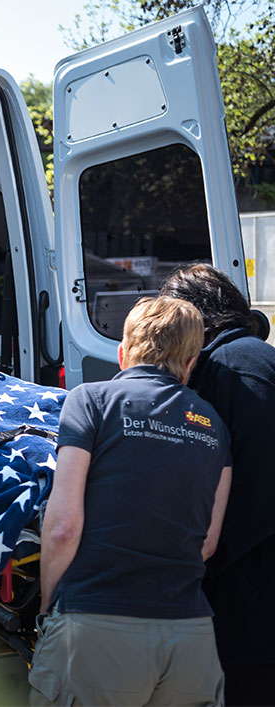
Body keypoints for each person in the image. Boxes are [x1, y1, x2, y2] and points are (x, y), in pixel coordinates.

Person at [31, 296, 232, 707]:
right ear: (191, 362)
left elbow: (63, 526)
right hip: (190, 636)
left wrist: (50, 608)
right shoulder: (214, 424)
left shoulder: (91, 401)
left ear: (122, 353)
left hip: (97, 624)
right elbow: (207, 543)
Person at [160, 264, 275, 705]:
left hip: (253, 603)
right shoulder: (239, 359)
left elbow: (259, 488)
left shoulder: (235, 366)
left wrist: (203, 560)